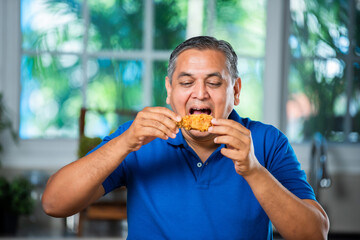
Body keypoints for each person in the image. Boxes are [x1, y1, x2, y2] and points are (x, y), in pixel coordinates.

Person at [42, 36, 329, 239]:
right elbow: (54, 204)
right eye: (186, 82)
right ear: (169, 91)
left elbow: (315, 234)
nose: (200, 93)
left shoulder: (268, 142)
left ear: (236, 91)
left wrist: (254, 171)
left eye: (214, 82)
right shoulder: (137, 139)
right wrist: (124, 142)